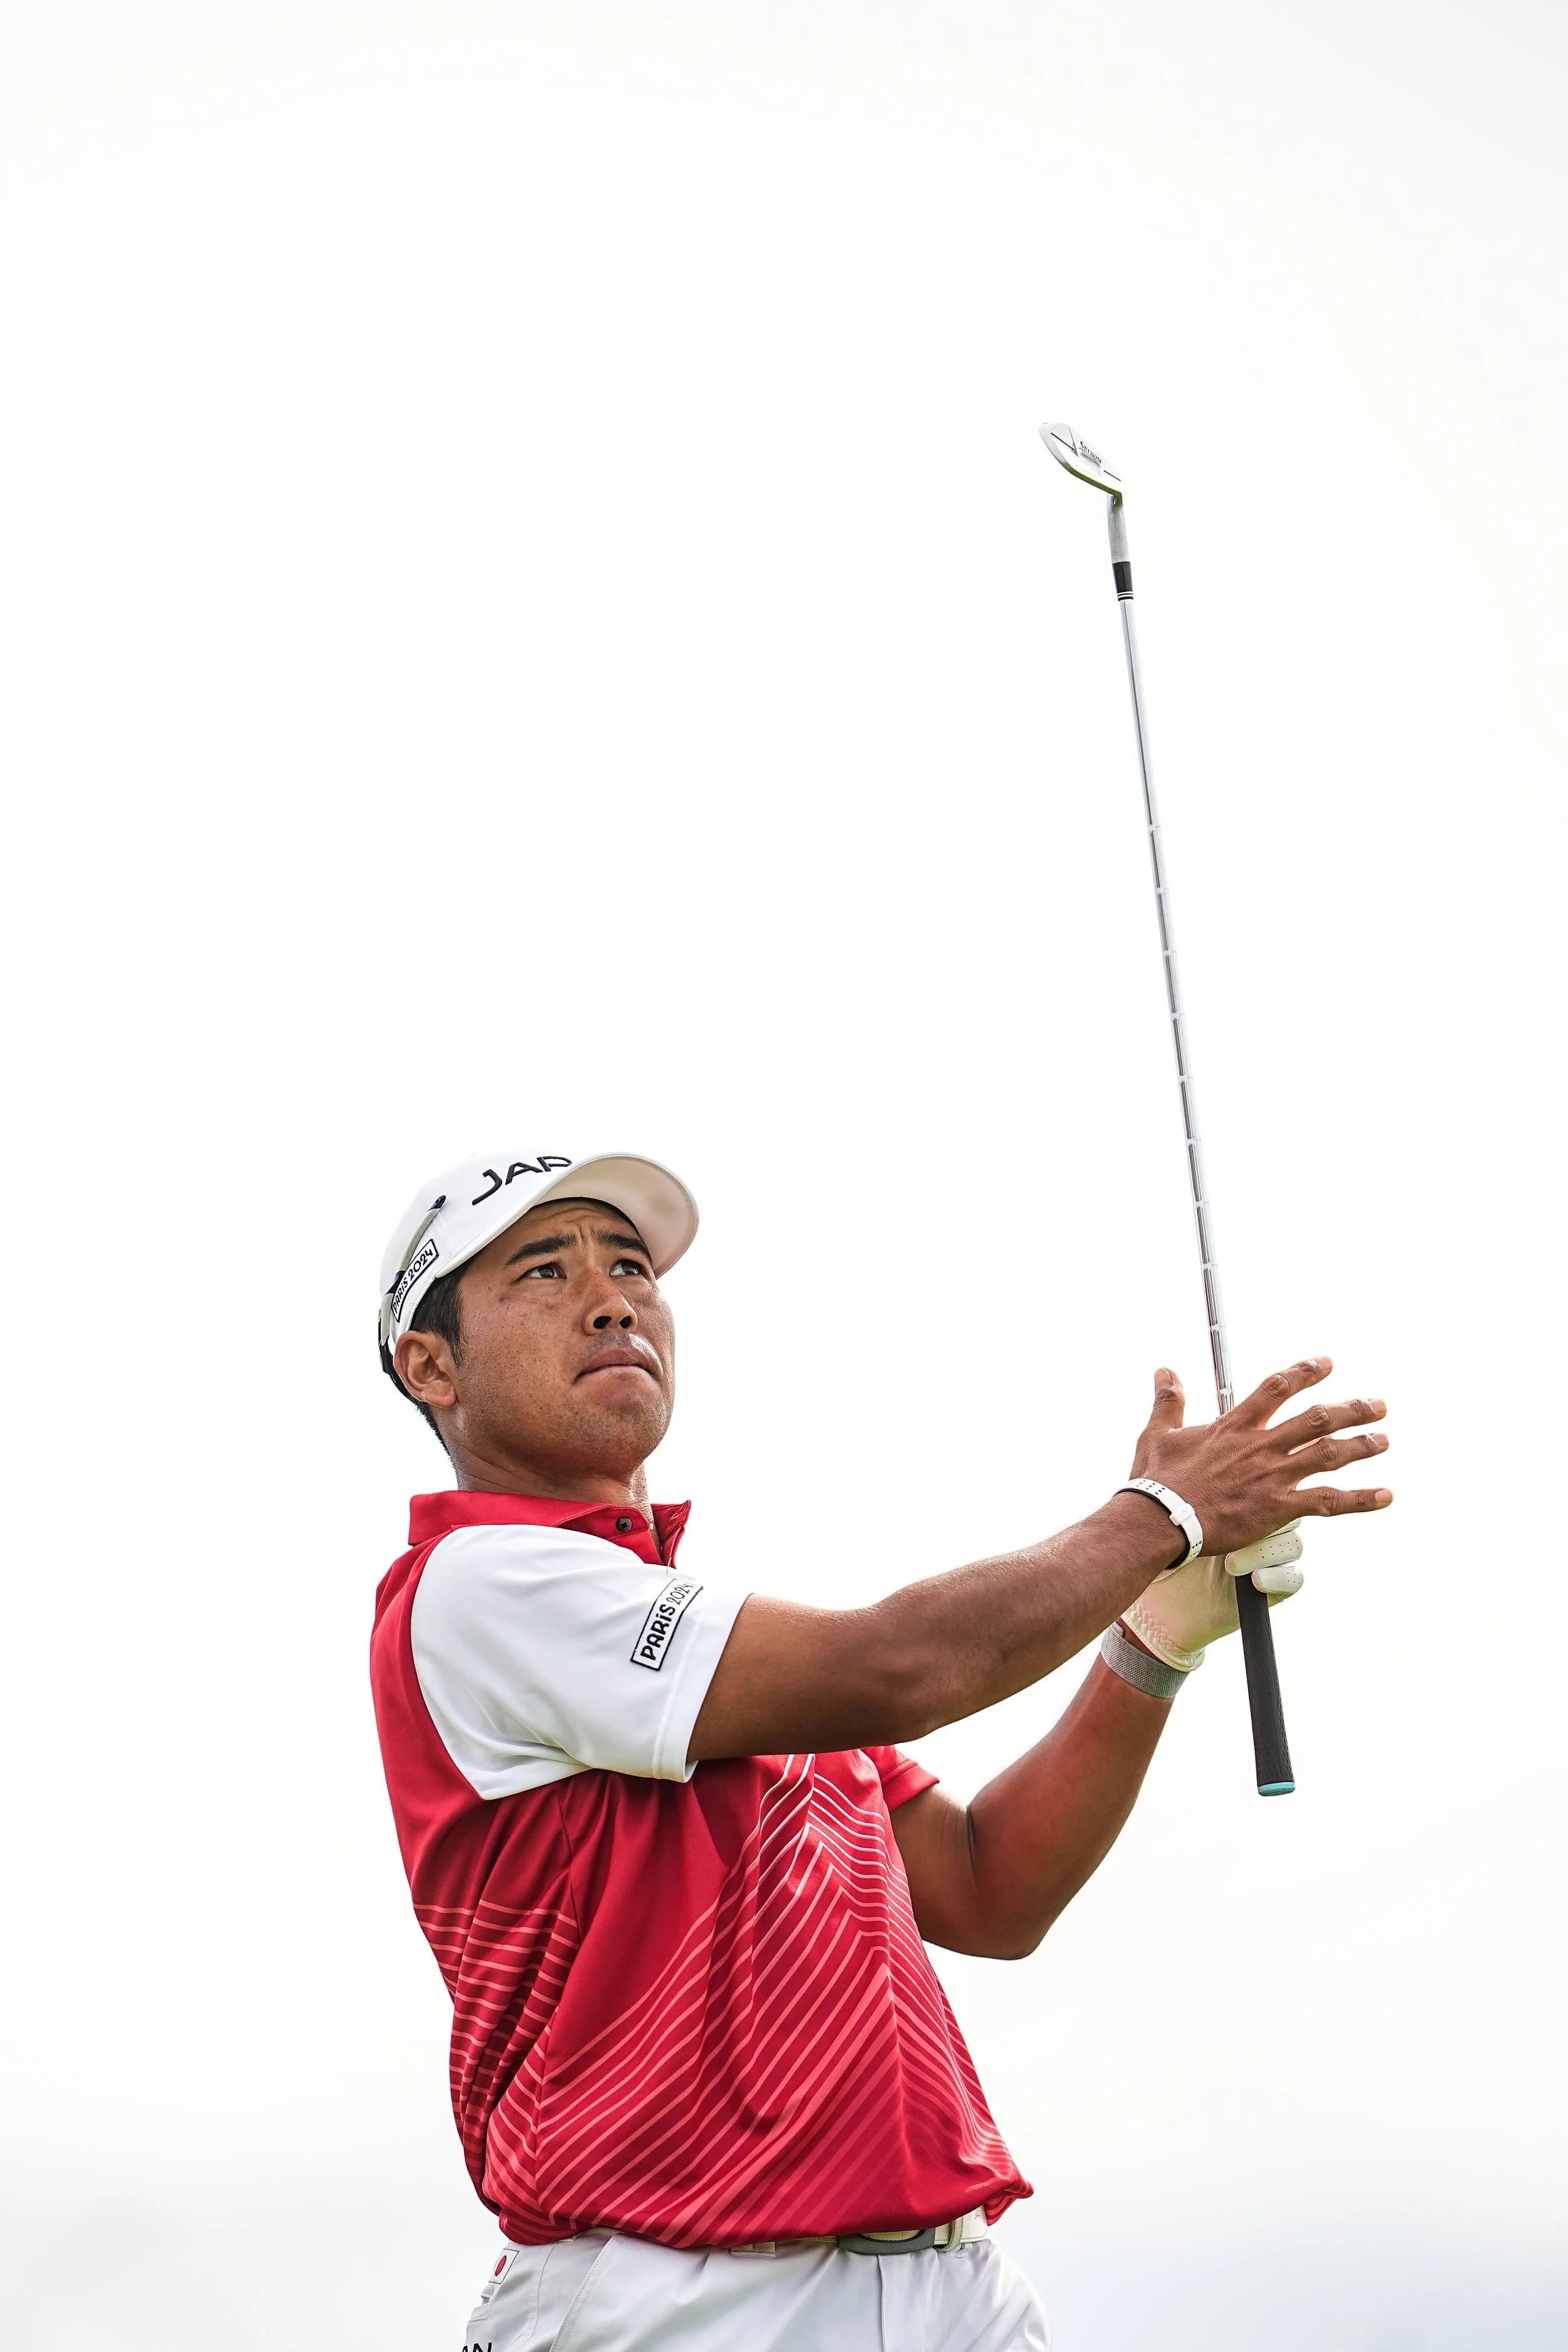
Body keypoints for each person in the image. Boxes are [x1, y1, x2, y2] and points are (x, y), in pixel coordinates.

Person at [371, 1147, 1391, 2352]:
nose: (613, 1298)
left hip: (946, 2283)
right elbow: (900, 1665)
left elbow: (984, 1884)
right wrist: (1162, 1517)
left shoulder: (713, 1651)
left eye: (633, 1266)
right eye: (544, 1270)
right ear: (431, 1364)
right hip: (680, 2296)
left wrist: (1150, 1640)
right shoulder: (478, 1584)